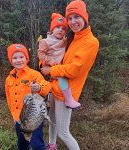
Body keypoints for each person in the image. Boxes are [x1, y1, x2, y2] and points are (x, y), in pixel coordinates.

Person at [41, 0, 99, 150]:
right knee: (52, 121)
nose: (73, 22)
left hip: (65, 93)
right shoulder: (71, 38)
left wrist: (50, 70)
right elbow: (52, 52)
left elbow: (73, 70)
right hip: (54, 87)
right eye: (70, 18)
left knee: (64, 132)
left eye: (77, 17)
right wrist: (43, 64)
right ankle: (52, 146)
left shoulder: (91, 42)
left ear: (85, 17)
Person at [5, 44, 51, 150]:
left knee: (37, 145)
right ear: (11, 60)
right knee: (22, 145)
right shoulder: (9, 79)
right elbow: (9, 98)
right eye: (15, 58)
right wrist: (14, 116)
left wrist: (39, 88)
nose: (18, 60)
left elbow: (47, 86)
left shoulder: (33, 74)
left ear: (26, 58)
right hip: (19, 120)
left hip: (34, 119)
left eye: (21, 57)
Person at [38, 12, 80, 109]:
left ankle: (50, 100)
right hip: (52, 67)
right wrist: (50, 61)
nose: (60, 30)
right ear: (52, 29)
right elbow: (40, 54)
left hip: (60, 66)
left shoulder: (64, 41)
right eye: (58, 27)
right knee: (62, 79)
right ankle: (69, 100)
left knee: (61, 80)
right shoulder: (45, 41)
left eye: (63, 29)